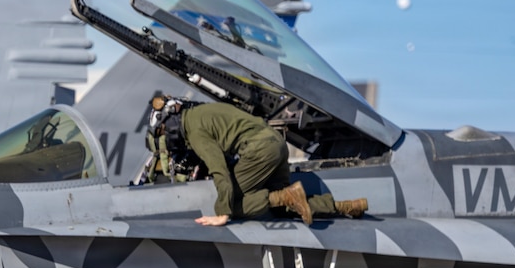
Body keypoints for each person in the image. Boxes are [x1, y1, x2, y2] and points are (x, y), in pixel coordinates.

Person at [148, 97, 368, 226]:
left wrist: (223, 212)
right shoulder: (202, 111)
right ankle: (346, 206)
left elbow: (219, 169)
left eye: (164, 130)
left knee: (234, 203)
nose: (167, 135)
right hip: (276, 145)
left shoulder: (194, 130)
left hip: (260, 151)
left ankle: (286, 196)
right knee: (284, 208)